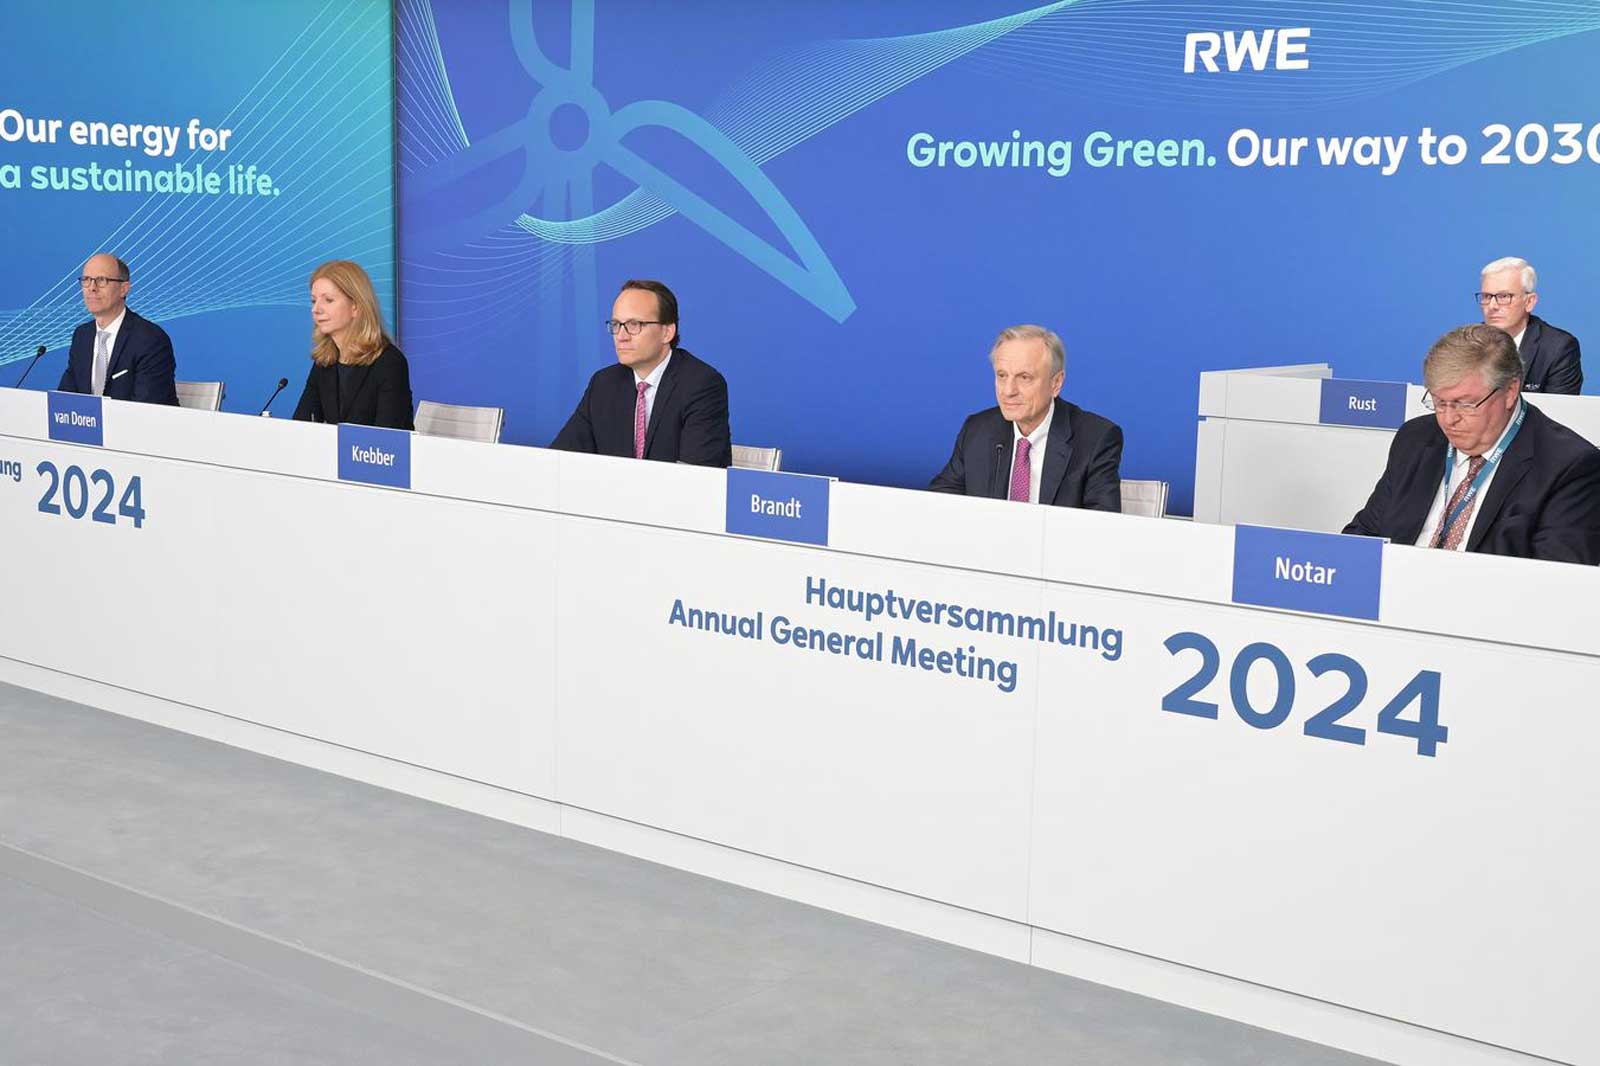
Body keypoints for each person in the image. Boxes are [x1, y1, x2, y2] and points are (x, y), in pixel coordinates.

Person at [1345, 323, 1600, 564]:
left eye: (1464, 404)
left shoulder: (1570, 466)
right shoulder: (1415, 439)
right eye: (1439, 402)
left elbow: (1555, 582)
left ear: (1510, 392)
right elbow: (1366, 533)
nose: (1448, 419)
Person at [929, 324, 1122, 510]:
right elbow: (941, 501)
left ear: (1056, 383)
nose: (1008, 391)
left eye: (1024, 377)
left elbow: (1100, 527)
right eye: (1002, 376)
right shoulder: (977, 430)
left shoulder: (1096, 438)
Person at [551, 279, 731, 466]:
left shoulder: (701, 385)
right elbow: (560, 460)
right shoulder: (603, 383)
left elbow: (696, 474)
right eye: (616, 325)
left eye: (634, 324)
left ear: (667, 332)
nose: (621, 336)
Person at [292, 260, 413, 429]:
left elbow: (388, 440)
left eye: (328, 300)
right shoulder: (325, 361)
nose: (316, 309)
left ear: (356, 306)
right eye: (314, 301)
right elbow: (302, 426)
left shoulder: (389, 363)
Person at [57, 253, 177, 404]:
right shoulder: (82, 336)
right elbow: (64, 401)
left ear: (124, 289)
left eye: (101, 280)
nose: (92, 288)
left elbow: (146, 410)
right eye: (86, 280)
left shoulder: (150, 340)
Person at [1477, 256, 1582, 394]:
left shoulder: (1558, 348)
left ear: (1529, 302)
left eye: (1504, 297)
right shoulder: (1464, 343)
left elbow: (1558, 412)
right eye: (1487, 296)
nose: (1492, 306)